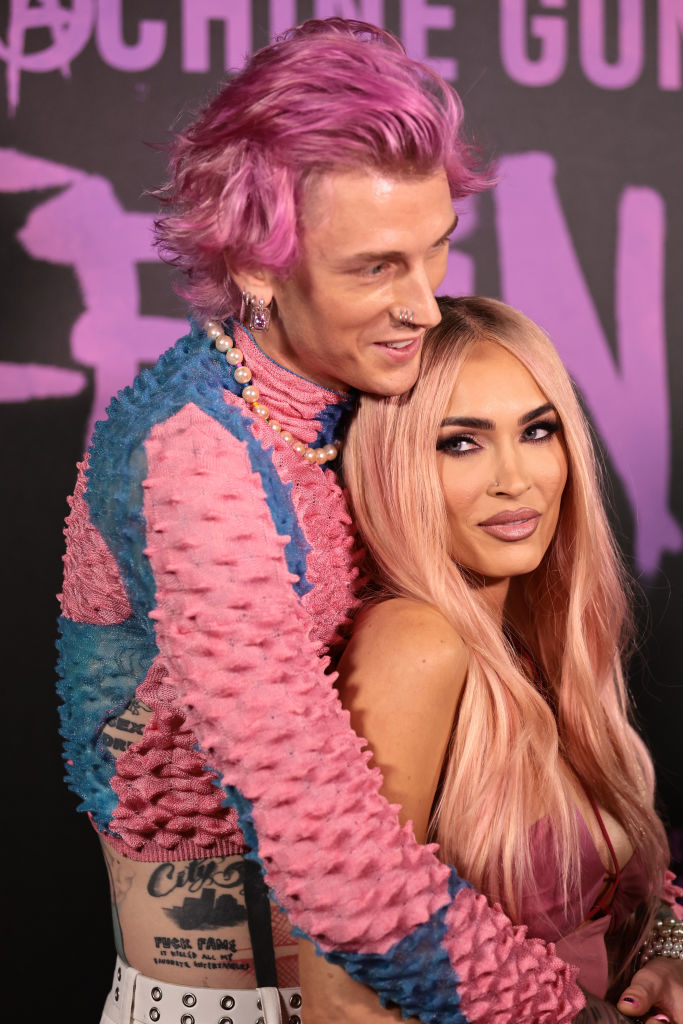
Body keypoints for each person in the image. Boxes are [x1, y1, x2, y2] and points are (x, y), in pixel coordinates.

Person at [56, 19, 586, 1024]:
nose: (424, 306)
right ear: (256, 266)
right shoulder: (192, 455)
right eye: (374, 268)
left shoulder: (361, 392)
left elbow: (530, 742)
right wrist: (571, 1014)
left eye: (435, 250)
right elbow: (331, 859)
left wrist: (657, 931)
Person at [316, 295, 683, 1024]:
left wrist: (666, 950)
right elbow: (346, 996)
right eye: (460, 443)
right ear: (391, 464)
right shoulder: (413, 642)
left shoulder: (535, 643)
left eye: (537, 431)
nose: (515, 479)